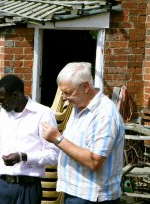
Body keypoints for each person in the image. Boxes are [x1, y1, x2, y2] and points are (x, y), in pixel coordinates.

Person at [42, 62, 125, 204]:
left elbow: (94, 161)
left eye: (68, 92)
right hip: (77, 194)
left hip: (92, 197)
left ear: (85, 87)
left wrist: (57, 139)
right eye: (62, 92)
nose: (64, 97)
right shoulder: (79, 107)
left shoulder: (104, 115)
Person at [0, 74, 59, 204]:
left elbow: (53, 154)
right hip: (1, 187)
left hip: (28, 188)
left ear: (16, 95)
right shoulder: (3, 114)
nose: (0, 104)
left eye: (3, 100)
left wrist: (23, 157)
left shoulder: (43, 114)